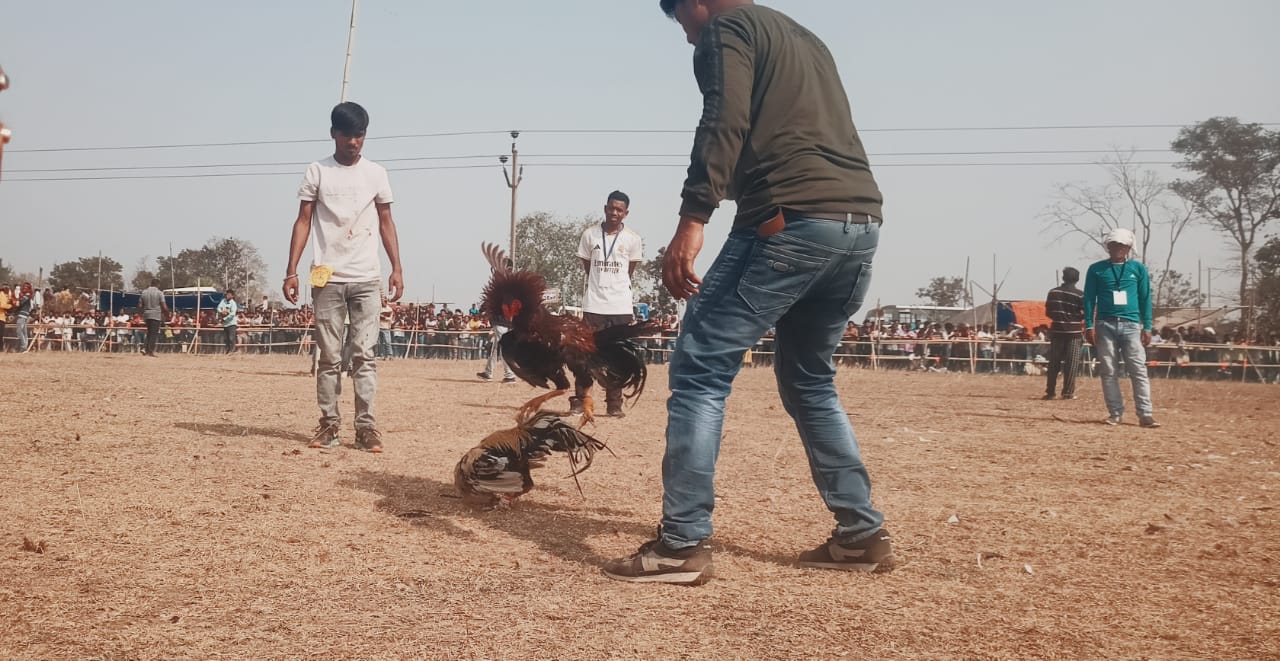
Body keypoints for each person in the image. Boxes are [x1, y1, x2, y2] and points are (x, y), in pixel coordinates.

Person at [603, 0, 891, 585]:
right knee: (810, 380)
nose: (688, 39)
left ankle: (682, 543)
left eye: (683, 24)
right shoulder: (803, 36)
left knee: (699, 368)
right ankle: (860, 534)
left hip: (789, 219)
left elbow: (723, 118)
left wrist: (693, 216)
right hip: (859, 222)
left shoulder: (727, 29)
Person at [283, 101, 404, 453]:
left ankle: (366, 428)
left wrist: (396, 267)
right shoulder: (317, 171)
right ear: (334, 133)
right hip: (326, 277)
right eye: (348, 134)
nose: (354, 142)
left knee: (365, 355)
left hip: (367, 277)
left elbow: (386, 222)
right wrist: (291, 270)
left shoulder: (377, 173)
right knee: (329, 357)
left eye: (360, 135)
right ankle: (328, 425)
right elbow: (303, 221)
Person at [574, 190, 644, 417]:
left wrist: (615, 287)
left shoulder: (633, 239)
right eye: (611, 208)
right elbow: (587, 266)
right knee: (584, 354)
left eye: (619, 210)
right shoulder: (589, 235)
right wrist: (599, 285)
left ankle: (614, 404)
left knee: (618, 357)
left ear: (626, 213)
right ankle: (581, 401)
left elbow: (629, 271)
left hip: (620, 307)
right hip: (593, 305)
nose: (614, 212)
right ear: (605, 208)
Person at [1083, 228, 1160, 428]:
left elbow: (1145, 298)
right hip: (1104, 324)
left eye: (1122, 245)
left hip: (1132, 325)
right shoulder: (1096, 269)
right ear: (1108, 246)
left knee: (1138, 369)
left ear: (1129, 248)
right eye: (1114, 244)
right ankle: (1115, 413)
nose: (1118, 248)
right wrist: (1089, 325)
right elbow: (1089, 298)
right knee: (1109, 370)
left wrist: (1148, 325)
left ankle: (1145, 414)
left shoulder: (1138, 269)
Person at [1043, 267, 1084, 399]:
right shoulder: (1080, 295)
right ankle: (1068, 392)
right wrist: (1076, 318)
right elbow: (1086, 313)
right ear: (1077, 279)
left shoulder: (1053, 293)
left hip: (1057, 331)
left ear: (1063, 277)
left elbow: (1048, 312)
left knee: (1054, 363)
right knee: (1071, 364)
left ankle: (1050, 392)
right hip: (1074, 332)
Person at [139, 278, 170, 357]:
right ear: (158, 284)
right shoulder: (159, 293)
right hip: (155, 314)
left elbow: (140, 305)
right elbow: (164, 306)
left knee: (149, 332)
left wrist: (145, 310)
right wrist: (167, 314)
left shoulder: (144, 292)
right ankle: (150, 351)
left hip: (146, 314)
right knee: (154, 333)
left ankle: (144, 348)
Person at [216, 289, 239, 354]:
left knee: (231, 338)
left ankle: (232, 350)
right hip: (225, 324)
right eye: (226, 294)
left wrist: (224, 318)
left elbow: (232, 314)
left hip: (232, 324)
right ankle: (227, 350)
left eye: (229, 294)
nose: (227, 296)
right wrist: (222, 312)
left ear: (232, 296)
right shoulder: (223, 301)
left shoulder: (233, 303)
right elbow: (218, 308)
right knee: (226, 338)